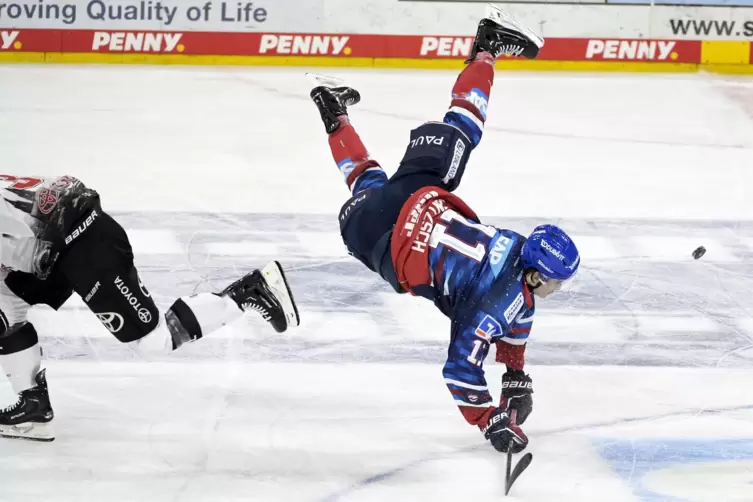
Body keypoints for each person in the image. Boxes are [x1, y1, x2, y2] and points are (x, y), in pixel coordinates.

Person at [309, 8, 579, 454]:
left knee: (461, 129)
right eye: (555, 280)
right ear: (535, 275)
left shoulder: (515, 249)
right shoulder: (494, 306)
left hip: (418, 199)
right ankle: (335, 115)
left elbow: (519, 306)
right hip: (373, 236)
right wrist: (490, 420)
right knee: (365, 181)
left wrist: (514, 370)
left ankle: (485, 52)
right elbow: (459, 369)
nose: (557, 288)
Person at [0, 174, 300, 441]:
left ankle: (249, 292)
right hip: (54, 243)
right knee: (5, 306)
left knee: (154, 343)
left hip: (85, 245)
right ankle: (33, 406)